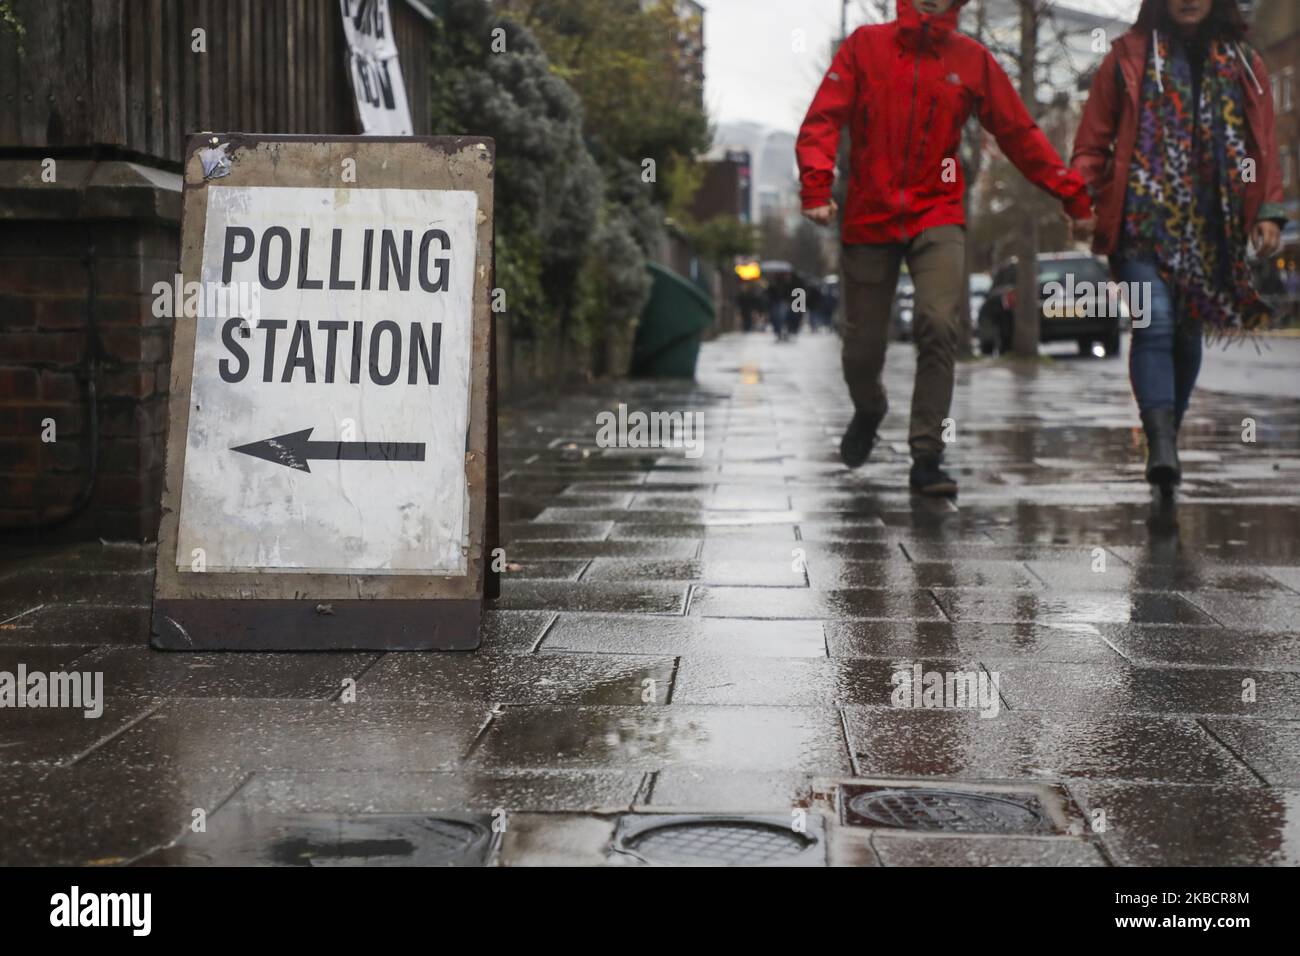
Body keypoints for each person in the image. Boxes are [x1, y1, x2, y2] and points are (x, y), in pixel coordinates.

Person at [797, 0, 1093, 496]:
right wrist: (816, 185)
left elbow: (1020, 133)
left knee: (938, 322)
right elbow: (822, 121)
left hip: (937, 211)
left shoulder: (971, 59)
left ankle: (927, 455)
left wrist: (1071, 193)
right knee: (861, 349)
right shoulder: (864, 48)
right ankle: (869, 409)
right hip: (869, 215)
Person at [1072, 0, 1284, 496]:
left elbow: (1261, 148)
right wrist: (1081, 199)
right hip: (1137, 224)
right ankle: (1163, 445)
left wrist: (1267, 211)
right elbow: (1092, 142)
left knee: (1186, 338)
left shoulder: (1246, 64)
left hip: (1209, 232)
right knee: (1155, 323)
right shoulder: (1126, 56)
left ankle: (1164, 436)